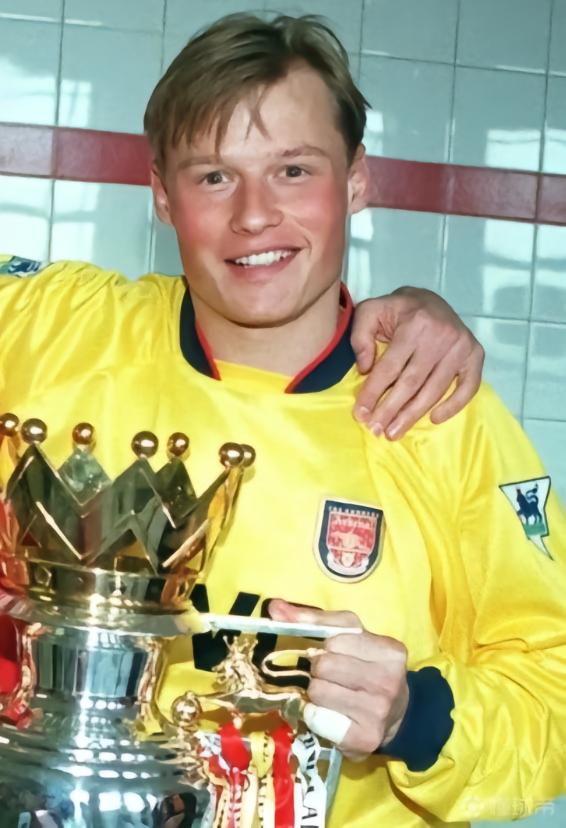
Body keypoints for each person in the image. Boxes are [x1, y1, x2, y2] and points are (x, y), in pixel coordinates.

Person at [0, 11, 564, 828]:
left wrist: (415, 716)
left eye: (294, 170)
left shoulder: (436, 406)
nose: (254, 215)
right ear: (161, 195)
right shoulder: (54, 329)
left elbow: (551, 689)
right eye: (213, 176)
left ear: (357, 180)